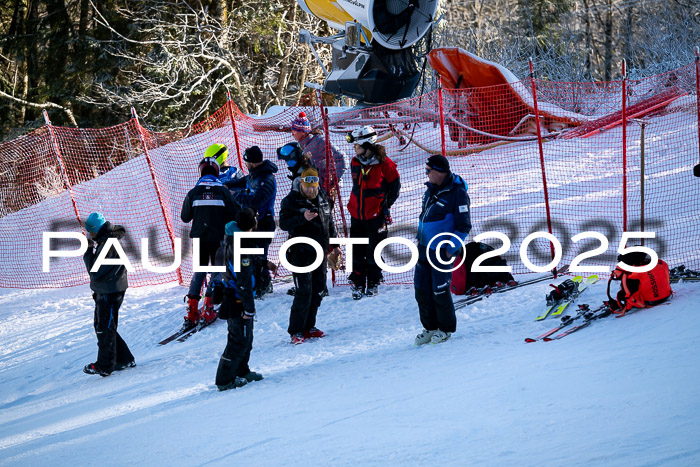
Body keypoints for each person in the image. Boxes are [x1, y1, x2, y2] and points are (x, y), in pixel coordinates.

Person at [414, 155, 471, 345]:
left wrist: (450, 249)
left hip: (441, 250)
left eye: (428, 171)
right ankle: (430, 327)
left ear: (439, 172)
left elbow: (463, 226)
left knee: (439, 290)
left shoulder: (457, 193)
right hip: (424, 247)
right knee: (422, 290)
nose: (427, 174)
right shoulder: (431, 189)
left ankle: (445, 329)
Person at [279, 167, 341, 344]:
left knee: (318, 289)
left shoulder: (322, 198)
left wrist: (335, 246)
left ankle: (309, 326)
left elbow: (330, 223)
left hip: (320, 251)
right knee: (303, 291)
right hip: (300, 253)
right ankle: (296, 330)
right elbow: (283, 223)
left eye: (314, 187)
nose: (311, 191)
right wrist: (302, 218)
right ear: (301, 184)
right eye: (308, 187)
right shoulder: (291, 201)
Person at [181, 156, 238, 326]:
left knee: (199, 271)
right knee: (217, 271)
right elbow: (233, 215)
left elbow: (185, 217)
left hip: (199, 238)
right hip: (219, 238)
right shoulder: (223, 191)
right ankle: (209, 308)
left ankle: (192, 311)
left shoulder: (193, 192)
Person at [345, 125, 401, 299]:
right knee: (356, 250)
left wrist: (385, 206)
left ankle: (374, 282)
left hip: (375, 216)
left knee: (373, 251)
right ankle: (358, 281)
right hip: (356, 214)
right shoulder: (355, 162)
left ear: (367, 145)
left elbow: (395, 188)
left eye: (357, 145)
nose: (354, 148)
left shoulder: (386, 165)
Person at [214, 208, 264, 391]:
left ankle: (242, 370)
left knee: (247, 339)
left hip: (236, 298)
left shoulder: (237, 239)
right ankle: (224, 380)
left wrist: (264, 263)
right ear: (251, 224)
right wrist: (249, 308)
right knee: (238, 341)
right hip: (237, 301)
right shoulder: (239, 246)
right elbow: (243, 281)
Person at [82, 212, 135, 377]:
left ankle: (105, 365)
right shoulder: (107, 241)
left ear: (97, 230)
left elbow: (95, 272)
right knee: (105, 326)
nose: (90, 235)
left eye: (91, 232)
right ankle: (125, 359)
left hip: (110, 292)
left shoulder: (108, 244)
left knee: (104, 328)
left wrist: (88, 251)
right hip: (108, 289)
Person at [225, 146, 278, 298]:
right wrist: (228, 185)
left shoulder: (266, 179)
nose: (245, 164)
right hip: (253, 223)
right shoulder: (254, 175)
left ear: (253, 162)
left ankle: (264, 284)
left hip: (263, 223)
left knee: (259, 254)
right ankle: (261, 282)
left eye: (246, 161)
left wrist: (234, 195)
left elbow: (256, 201)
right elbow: (242, 181)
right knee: (253, 255)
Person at [290, 112, 347, 192]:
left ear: (303, 132)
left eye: (294, 132)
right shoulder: (301, 145)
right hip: (308, 188)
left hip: (323, 188)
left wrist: (334, 180)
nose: (292, 134)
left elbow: (341, 157)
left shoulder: (319, 141)